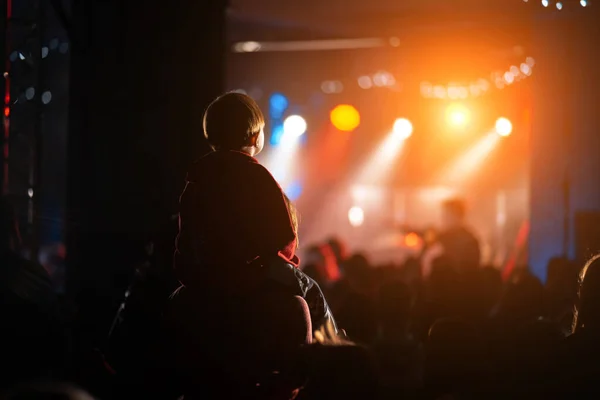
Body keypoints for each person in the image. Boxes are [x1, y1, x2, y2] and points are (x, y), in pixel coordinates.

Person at [166, 93, 337, 398]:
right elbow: (280, 232)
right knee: (311, 290)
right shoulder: (256, 175)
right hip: (255, 267)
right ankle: (336, 351)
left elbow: (187, 233)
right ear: (255, 135)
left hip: (204, 272)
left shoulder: (196, 180)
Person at [422, 198, 481, 278]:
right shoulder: (440, 238)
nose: (443, 219)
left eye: (447, 215)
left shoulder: (469, 242)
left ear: (457, 216)